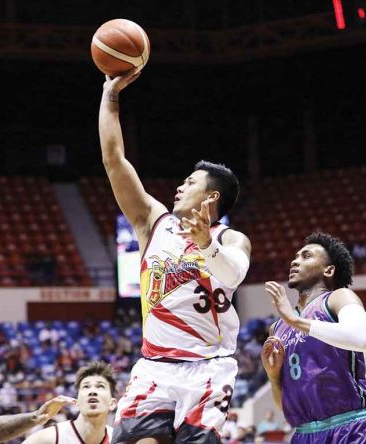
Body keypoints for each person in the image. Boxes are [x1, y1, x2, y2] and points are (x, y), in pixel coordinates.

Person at [99, 69, 252, 443]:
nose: (180, 187)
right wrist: (110, 96)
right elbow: (114, 160)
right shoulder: (154, 222)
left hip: (208, 369)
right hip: (155, 368)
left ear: (211, 197)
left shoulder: (231, 238)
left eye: (190, 182)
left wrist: (206, 246)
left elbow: (233, 274)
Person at [260, 232, 366, 443]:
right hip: (305, 434)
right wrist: (273, 377)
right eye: (295, 256)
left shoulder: (338, 298)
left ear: (329, 269)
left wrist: (295, 321)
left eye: (306, 256)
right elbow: (287, 408)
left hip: (350, 429)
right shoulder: (277, 328)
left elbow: (364, 339)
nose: (295, 261)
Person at [22, 361, 117, 444]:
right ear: (77, 401)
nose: (92, 391)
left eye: (100, 386)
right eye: (86, 386)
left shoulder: (119, 440)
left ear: (112, 403)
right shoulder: (48, 439)